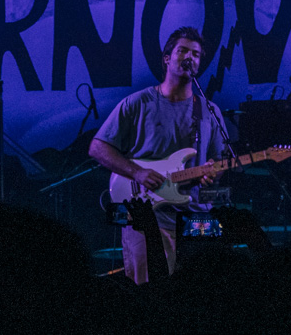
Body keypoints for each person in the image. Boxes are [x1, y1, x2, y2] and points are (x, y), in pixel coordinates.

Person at [88, 26, 226, 283]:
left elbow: (219, 162)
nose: (190, 57)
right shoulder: (137, 103)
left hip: (197, 216)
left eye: (196, 54)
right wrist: (137, 172)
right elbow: (97, 147)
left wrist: (213, 172)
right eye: (182, 50)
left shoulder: (210, 110)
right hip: (146, 216)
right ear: (167, 58)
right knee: (149, 293)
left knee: (204, 288)